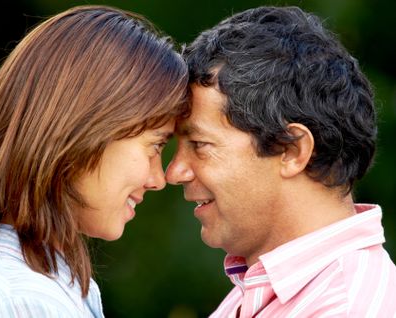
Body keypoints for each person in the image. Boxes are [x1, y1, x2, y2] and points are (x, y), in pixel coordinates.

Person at [0, 5, 187, 317]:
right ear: (87, 129)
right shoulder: (28, 301)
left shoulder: (4, 271)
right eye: (155, 146)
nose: (158, 178)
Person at [166, 6, 396, 317]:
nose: (174, 172)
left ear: (292, 150)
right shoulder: (260, 293)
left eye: (199, 144)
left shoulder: (344, 307)